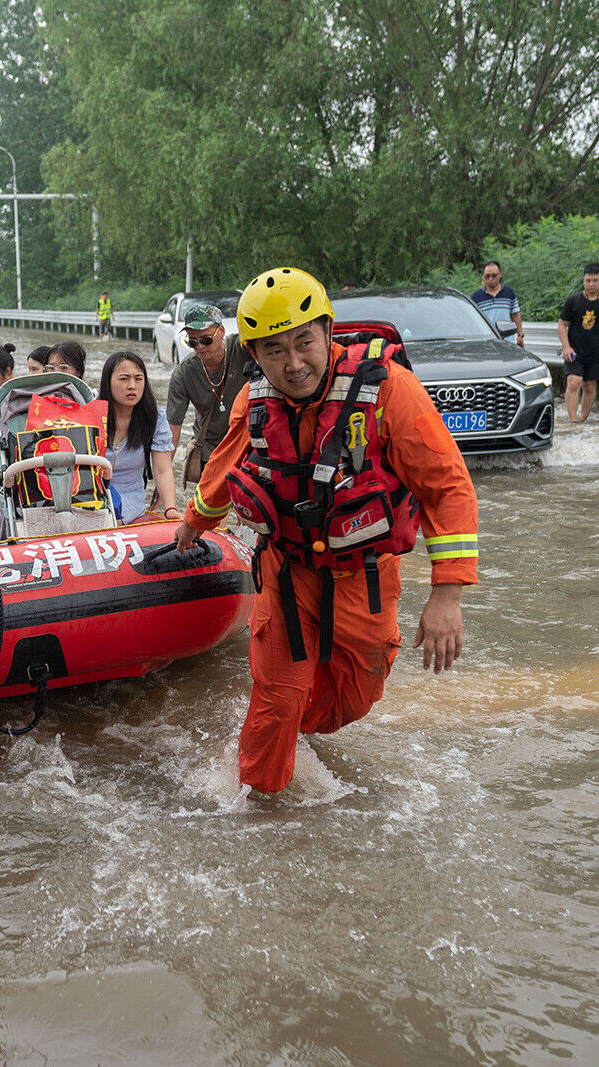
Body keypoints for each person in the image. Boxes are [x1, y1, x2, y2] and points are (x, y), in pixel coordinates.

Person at [176, 267, 479, 796]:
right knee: (278, 697)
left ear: (328, 330)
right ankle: (260, 807)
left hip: (364, 572)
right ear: (253, 354)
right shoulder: (254, 403)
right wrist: (192, 526)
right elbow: (223, 473)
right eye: (273, 351)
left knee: (354, 696)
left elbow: (446, 487)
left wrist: (447, 594)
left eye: (303, 342)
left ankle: (298, 729)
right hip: (288, 571)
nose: (292, 364)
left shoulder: (390, 391)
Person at [164, 303, 249, 486]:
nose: (200, 347)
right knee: (211, 512)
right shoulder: (184, 373)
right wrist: (165, 475)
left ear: (222, 331)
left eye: (206, 339)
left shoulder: (243, 350)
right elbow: (173, 427)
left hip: (246, 447)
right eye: (192, 342)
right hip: (211, 453)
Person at [97, 351, 178, 523]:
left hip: (130, 495)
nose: (132, 385)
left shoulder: (155, 418)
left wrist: (170, 509)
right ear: (107, 382)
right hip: (92, 494)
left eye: (138, 379)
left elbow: (163, 470)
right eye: (124, 379)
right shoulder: (91, 415)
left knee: (113, 521)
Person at [557, 263, 599, 423]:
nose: (591, 284)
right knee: (574, 381)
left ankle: (582, 420)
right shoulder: (574, 300)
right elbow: (562, 324)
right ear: (583, 280)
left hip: (595, 350)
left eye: (595, 280)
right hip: (574, 349)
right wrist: (566, 347)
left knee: (589, 386)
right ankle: (572, 421)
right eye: (588, 280)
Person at [470, 261, 524, 347]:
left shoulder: (509, 293)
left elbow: (516, 315)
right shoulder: (476, 298)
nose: (491, 278)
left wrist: (520, 335)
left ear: (500, 274)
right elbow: (472, 322)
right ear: (483, 277)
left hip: (508, 343)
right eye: (487, 276)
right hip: (485, 344)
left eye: (494, 275)